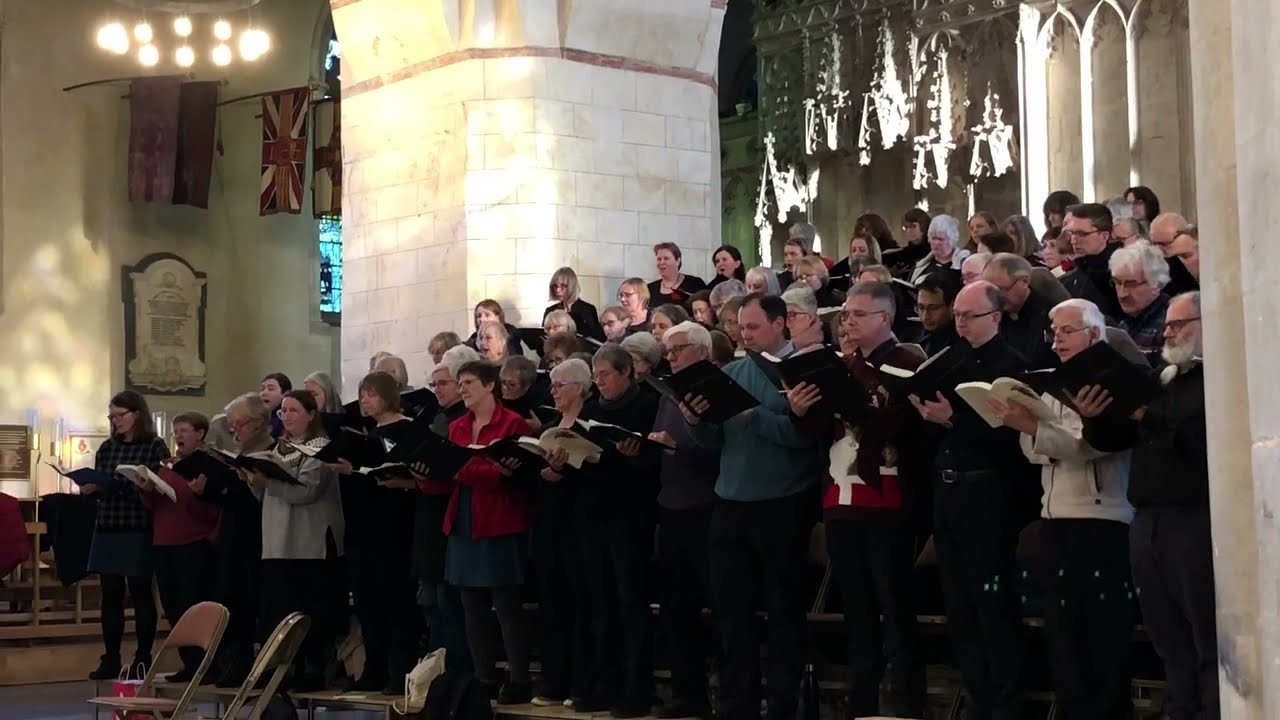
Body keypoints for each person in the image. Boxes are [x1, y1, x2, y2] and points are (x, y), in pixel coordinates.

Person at [989, 298, 1136, 719]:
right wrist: (1030, 427)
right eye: (1053, 332)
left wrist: (1038, 430)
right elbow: (1041, 452)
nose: (1057, 340)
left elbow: (1092, 445)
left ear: (1093, 333)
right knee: (1063, 640)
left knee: (1102, 641)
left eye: (1066, 331)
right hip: (1055, 518)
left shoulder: (1110, 379)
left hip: (1102, 519)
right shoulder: (1053, 381)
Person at [787, 282, 927, 717]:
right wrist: (800, 409)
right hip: (841, 498)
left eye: (857, 314)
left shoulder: (909, 362)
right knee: (856, 607)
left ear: (884, 318)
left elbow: (909, 427)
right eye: (845, 315)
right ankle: (862, 701)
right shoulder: (840, 365)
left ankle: (904, 702)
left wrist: (859, 410)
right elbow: (815, 433)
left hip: (889, 499)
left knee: (894, 603)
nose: (847, 322)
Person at [682, 293, 821, 720]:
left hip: (782, 503)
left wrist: (751, 416)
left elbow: (804, 438)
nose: (745, 334)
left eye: (754, 326)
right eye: (741, 327)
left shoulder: (803, 371)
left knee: (783, 609)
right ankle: (737, 704)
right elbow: (714, 443)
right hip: (730, 502)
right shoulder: (732, 372)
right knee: (731, 612)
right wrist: (696, 421)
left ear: (781, 324)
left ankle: (782, 704)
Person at [1077, 292, 1215, 720]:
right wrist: (1096, 416)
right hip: (1148, 518)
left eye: (1179, 325)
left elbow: (1199, 442)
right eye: (1168, 325)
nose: (1168, 333)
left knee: (1204, 630)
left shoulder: (1218, 381)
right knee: (1165, 631)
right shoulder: (1161, 378)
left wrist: (1145, 416)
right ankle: (1179, 708)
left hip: (1194, 516)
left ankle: (1209, 710)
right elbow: (1116, 439)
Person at [910, 282, 1032, 720]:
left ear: (995, 317)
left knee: (991, 604)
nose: (959, 322)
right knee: (958, 605)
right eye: (957, 315)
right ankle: (978, 698)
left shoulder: (1012, 366)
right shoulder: (950, 359)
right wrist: (928, 417)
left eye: (969, 316)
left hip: (987, 494)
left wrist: (952, 422)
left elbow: (1012, 440)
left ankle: (1005, 703)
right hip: (947, 491)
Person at [575, 344, 661, 717]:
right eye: (595, 377)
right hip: (596, 516)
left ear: (627, 372)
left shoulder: (646, 406)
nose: (600, 382)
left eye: (605, 375)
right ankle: (605, 684)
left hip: (632, 516)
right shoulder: (592, 411)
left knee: (631, 603)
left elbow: (655, 462)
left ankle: (636, 688)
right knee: (601, 604)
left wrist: (634, 455)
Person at [444, 361, 536, 704]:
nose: (463, 389)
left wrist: (468, 471)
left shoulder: (513, 423)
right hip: (465, 518)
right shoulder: (457, 426)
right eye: (460, 383)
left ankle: (520, 678)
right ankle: (483, 677)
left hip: (500, 518)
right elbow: (455, 470)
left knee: (506, 604)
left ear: (489, 386)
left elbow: (510, 476)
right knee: (472, 605)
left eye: (468, 382)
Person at [651, 322, 721, 718]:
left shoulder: (714, 387)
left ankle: (721, 690)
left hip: (707, 506)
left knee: (717, 603)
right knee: (676, 608)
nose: (671, 357)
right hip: (672, 506)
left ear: (700, 350)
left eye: (677, 350)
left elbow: (721, 449)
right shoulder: (669, 392)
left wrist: (680, 447)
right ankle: (686, 693)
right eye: (668, 351)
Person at [254, 390, 345, 692]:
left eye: (293, 410)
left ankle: (314, 666)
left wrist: (269, 482)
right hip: (277, 541)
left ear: (310, 414)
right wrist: (253, 480)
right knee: (283, 609)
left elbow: (307, 491)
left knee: (312, 609)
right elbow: (267, 495)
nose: (287, 416)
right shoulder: (278, 448)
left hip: (310, 541)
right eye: (282, 411)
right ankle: (287, 668)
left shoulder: (321, 447)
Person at [85, 390, 170, 680]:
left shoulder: (155, 446)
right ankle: (110, 657)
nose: (115, 421)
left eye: (120, 415)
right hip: (108, 524)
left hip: (138, 526)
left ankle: (143, 656)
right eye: (112, 417)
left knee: (141, 592)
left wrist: (147, 486)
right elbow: (102, 480)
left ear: (137, 414)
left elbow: (164, 486)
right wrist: (92, 487)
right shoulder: (107, 448)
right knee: (110, 594)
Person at [532, 359, 597, 706]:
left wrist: (563, 472)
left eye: (560, 385)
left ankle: (582, 683)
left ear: (580, 388)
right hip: (550, 526)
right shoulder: (548, 427)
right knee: (553, 605)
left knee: (581, 606)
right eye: (552, 385)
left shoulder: (591, 424)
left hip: (582, 524)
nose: (553, 391)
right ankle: (554, 681)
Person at [141, 412, 220, 683]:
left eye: (184, 430)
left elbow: (212, 509)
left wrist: (200, 493)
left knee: (193, 605)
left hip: (193, 542)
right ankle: (189, 663)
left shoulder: (209, 464)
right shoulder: (167, 466)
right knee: (172, 606)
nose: (178, 436)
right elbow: (156, 507)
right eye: (175, 431)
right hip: (163, 542)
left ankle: (206, 665)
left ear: (200, 433)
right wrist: (147, 489)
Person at [546, 267, 605, 341]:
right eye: (555, 286)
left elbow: (594, 339)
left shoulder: (587, 309)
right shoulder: (550, 311)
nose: (557, 290)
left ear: (572, 286)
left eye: (563, 286)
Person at [260, 372, 292, 437]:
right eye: (262, 389)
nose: (264, 393)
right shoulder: (260, 418)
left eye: (270, 389)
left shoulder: (290, 419)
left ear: (286, 393)